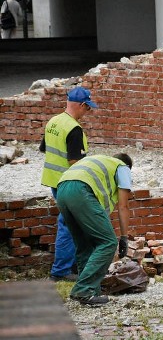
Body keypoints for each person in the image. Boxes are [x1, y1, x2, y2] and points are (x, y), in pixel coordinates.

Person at [56, 153, 133, 306]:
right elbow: (123, 206)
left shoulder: (99, 161)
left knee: (84, 245)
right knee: (108, 242)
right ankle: (83, 289)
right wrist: (124, 238)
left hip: (62, 188)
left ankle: (90, 292)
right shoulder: (122, 167)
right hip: (80, 190)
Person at [40, 86, 98, 282]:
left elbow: (44, 149)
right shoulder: (74, 129)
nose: (87, 112)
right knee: (68, 224)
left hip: (53, 181)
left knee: (70, 223)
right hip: (68, 184)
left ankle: (71, 265)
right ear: (81, 105)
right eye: (88, 108)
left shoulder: (54, 122)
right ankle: (61, 271)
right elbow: (76, 162)